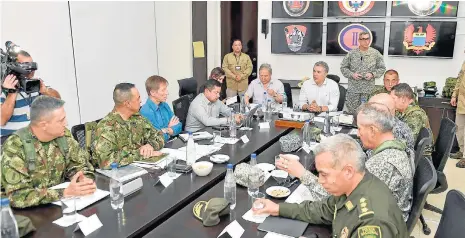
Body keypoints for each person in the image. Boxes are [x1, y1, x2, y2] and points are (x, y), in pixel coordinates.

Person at [278, 103, 413, 221]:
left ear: (373, 130)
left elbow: (336, 202)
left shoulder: (383, 163)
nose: (358, 134)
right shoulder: (394, 147)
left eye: (360, 128)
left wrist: (301, 173)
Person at [255, 134, 408, 238]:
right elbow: (322, 209)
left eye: (324, 174)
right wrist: (278, 208)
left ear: (348, 171)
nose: (320, 181)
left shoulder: (372, 221)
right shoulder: (355, 184)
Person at [1, 96, 95, 208]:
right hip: (24, 213)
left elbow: (78, 165)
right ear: (43, 125)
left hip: (57, 206)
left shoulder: (63, 136)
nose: (66, 123)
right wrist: (64, 192)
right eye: (61, 120)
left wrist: (82, 179)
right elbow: (18, 196)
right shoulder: (15, 147)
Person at [92, 83, 165, 169]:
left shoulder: (137, 118)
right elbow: (107, 161)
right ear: (127, 103)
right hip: (117, 177)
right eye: (138, 98)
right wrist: (141, 153)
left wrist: (150, 145)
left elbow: (159, 136)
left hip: (141, 170)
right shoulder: (106, 127)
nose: (141, 101)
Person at [1, 51, 61, 142]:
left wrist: (45, 91)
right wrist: (12, 92)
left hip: (35, 142)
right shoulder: (3, 90)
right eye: (26, 68)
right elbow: (1, 120)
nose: (31, 73)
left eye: (32, 68)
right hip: (13, 145)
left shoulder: (34, 85)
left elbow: (58, 101)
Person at [340, 32, 386, 114]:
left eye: (367, 39)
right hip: (353, 91)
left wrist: (373, 74)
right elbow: (343, 67)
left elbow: (382, 68)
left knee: (368, 113)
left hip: (368, 90)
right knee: (352, 114)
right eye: (363, 39)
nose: (366, 41)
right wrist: (352, 74)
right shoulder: (352, 53)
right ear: (359, 40)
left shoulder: (375, 53)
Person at [140, 75, 182, 142]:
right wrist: (170, 129)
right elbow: (156, 138)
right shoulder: (146, 112)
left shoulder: (165, 105)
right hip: (159, 148)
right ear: (152, 92)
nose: (167, 93)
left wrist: (166, 130)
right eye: (163, 90)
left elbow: (179, 125)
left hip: (172, 142)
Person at [450, 60, 465, 168]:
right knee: (459, 128)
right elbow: (459, 79)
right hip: (462, 101)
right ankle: (462, 150)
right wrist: (454, 95)